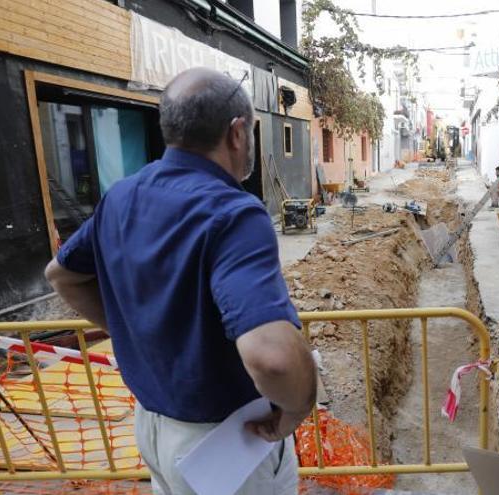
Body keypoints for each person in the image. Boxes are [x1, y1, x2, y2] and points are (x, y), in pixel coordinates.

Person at [45, 68, 316, 495]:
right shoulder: (234, 213)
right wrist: (298, 407)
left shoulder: (121, 196)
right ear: (237, 132)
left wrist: (132, 332)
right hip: (228, 443)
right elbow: (273, 359)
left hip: (152, 429)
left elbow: (61, 276)